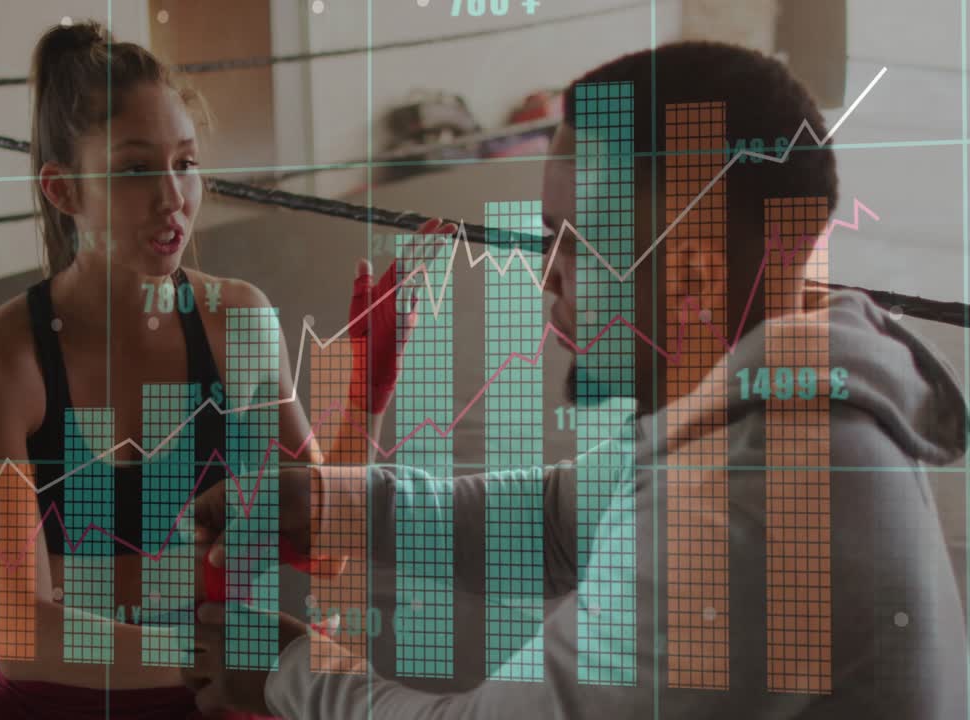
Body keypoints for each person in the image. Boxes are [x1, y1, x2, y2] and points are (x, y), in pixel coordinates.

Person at [183, 42, 969, 718]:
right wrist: (337, 502)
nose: (548, 278)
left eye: (573, 242)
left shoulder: (742, 507)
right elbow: (561, 518)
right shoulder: (778, 397)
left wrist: (291, 674)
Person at [0, 21, 456, 719]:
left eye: (184, 162)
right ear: (63, 190)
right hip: (67, 700)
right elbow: (17, 631)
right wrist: (224, 656)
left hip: (217, 697)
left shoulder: (236, 318)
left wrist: (365, 391)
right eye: (133, 169)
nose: (172, 197)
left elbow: (326, 550)